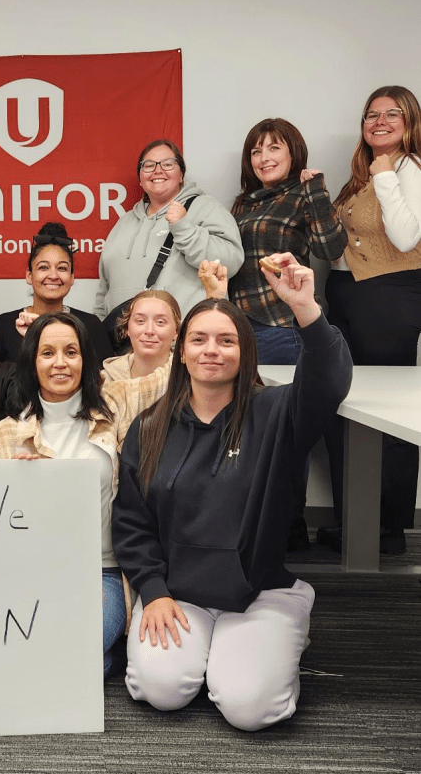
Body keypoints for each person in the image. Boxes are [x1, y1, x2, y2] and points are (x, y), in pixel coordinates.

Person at [112, 254, 352, 731]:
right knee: (161, 690)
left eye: (227, 341)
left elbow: (329, 383)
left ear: (246, 353)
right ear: (182, 352)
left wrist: (306, 309)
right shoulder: (150, 426)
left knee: (250, 709)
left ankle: (277, 634)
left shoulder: (277, 412)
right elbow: (132, 522)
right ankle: (215, 652)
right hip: (179, 593)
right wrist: (152, 591)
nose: (212, 350)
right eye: (199, 339)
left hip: (260, 592)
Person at [0, 312, 168, 678]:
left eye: (71, 352)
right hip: (31, 575)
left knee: (69, 646)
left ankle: (89, 659)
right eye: (47, 353)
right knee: (27, 651)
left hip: (102, 574)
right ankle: (102, 663)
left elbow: (172, 375)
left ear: (85, 359)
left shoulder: (115, 404)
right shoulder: (9, 434)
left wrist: (210, 302)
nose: (60, 363)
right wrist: (10, 485)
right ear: (32, 362)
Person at [322, 86, 421, 555]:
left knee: (386, 409)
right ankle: (355, 521)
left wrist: (385, 176)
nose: (379, 122)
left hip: (389, 296)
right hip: (348, 295)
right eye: (371, 115)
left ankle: (389, 528)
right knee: (346, 405)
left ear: (410, 122)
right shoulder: (361, 175)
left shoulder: (409, 168)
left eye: (391, 114)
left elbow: (405, 238)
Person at [229, 118, 346, 363]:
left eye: (274, 148)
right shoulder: (243, 204)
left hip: (282, 325)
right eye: (256, 152)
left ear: (293, 153)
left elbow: (331, 249)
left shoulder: (303, 193)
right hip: (240, 326)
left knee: (287, 390)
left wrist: (316, 191)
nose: (264, 158)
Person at [94, 139, 244, 324]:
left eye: (167, 164)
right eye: (148, 165)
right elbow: (104, 290)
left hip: (185, 334)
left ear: (181, 175)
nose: (158, 170)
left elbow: (231, 261)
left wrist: (184, 229)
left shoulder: (206, 207)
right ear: (140, 179)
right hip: (124, 337)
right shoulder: (123, 223)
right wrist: (100, 331)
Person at [0, 221, 113, 364]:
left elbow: (103, 376)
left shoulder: (90, 326)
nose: (53, 275)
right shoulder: (4, 326)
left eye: (62, 268)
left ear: (72, 277)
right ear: (29, 275)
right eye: (43, 267)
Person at [102, 289, 181, 385]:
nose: (149, 331)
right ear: (127, 328)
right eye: (140, 321)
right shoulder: (103, 381)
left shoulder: (189, 377)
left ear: (176, 331)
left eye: (160, 322)